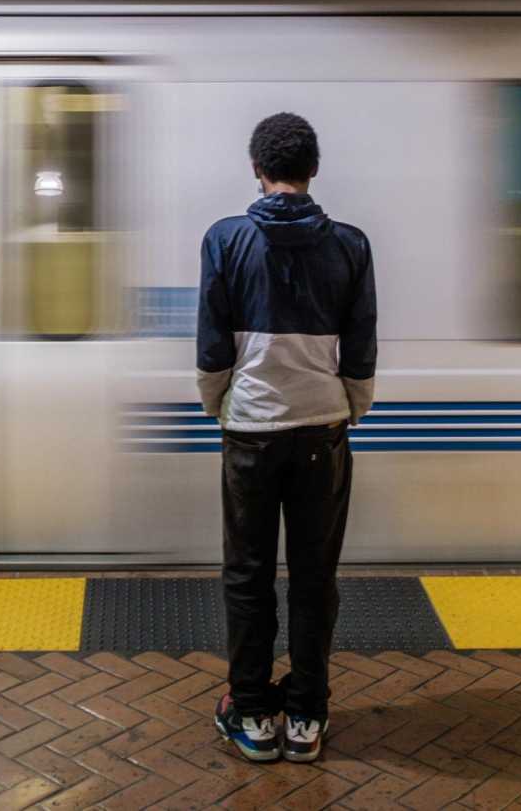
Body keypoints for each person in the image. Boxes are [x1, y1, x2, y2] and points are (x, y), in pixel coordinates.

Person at [197, 112, 376, 764]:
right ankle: (305, 715)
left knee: (247, 574)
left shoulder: (225, 239)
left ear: (257, 167)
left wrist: (220, 403)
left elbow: (212, 344)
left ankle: (251, 712)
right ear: (313, 169)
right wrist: (350, 407)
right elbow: (359, 346)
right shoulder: (351, 245)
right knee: (313, 576)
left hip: (250, 430)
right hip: (319, 432)